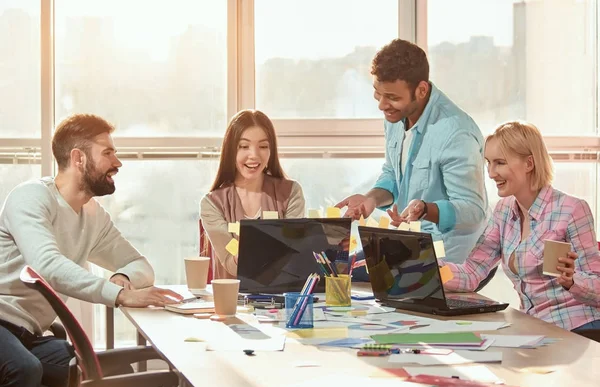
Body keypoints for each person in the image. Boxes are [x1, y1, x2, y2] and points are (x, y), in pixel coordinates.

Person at [0, 114, 183, 387]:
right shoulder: (31, 198)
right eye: (107, 153)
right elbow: (46, 266)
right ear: (79, 158)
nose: (117, 163)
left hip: (30, 336)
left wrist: (122, 279)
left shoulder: (93, 216)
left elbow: (141, 266)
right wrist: (120, 296)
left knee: (114, 378)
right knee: (25, 370)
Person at [336, 39, 488, 264]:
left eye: (393, 97)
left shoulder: (456, 133)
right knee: (341, 265)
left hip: (451, 257)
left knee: (355, 272)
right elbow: (393, 175)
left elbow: (474, 211)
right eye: (378, 94)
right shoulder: (395, 116)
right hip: (411, 243)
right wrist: (370, 200)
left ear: (421, 90)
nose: (382, 105)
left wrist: (426, 209)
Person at [444, 121, 600, 332]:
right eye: (488, 163)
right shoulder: (503, 211)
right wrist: (428, 271)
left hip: (578, 327)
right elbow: (472, 272)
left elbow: (597, 284)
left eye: (499, 163)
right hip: (534, 327)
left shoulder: (572, 210)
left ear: (529, 163)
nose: (490, 173)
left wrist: (573, 281)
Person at [201, 109, 305, 279]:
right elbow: (231, 264)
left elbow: (292, 256)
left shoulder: (291, 193)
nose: (254, 155)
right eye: (244, 146)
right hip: (233, 302)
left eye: (263, 146)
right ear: (231, 150)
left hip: (280, 299)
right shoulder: (212, 204)